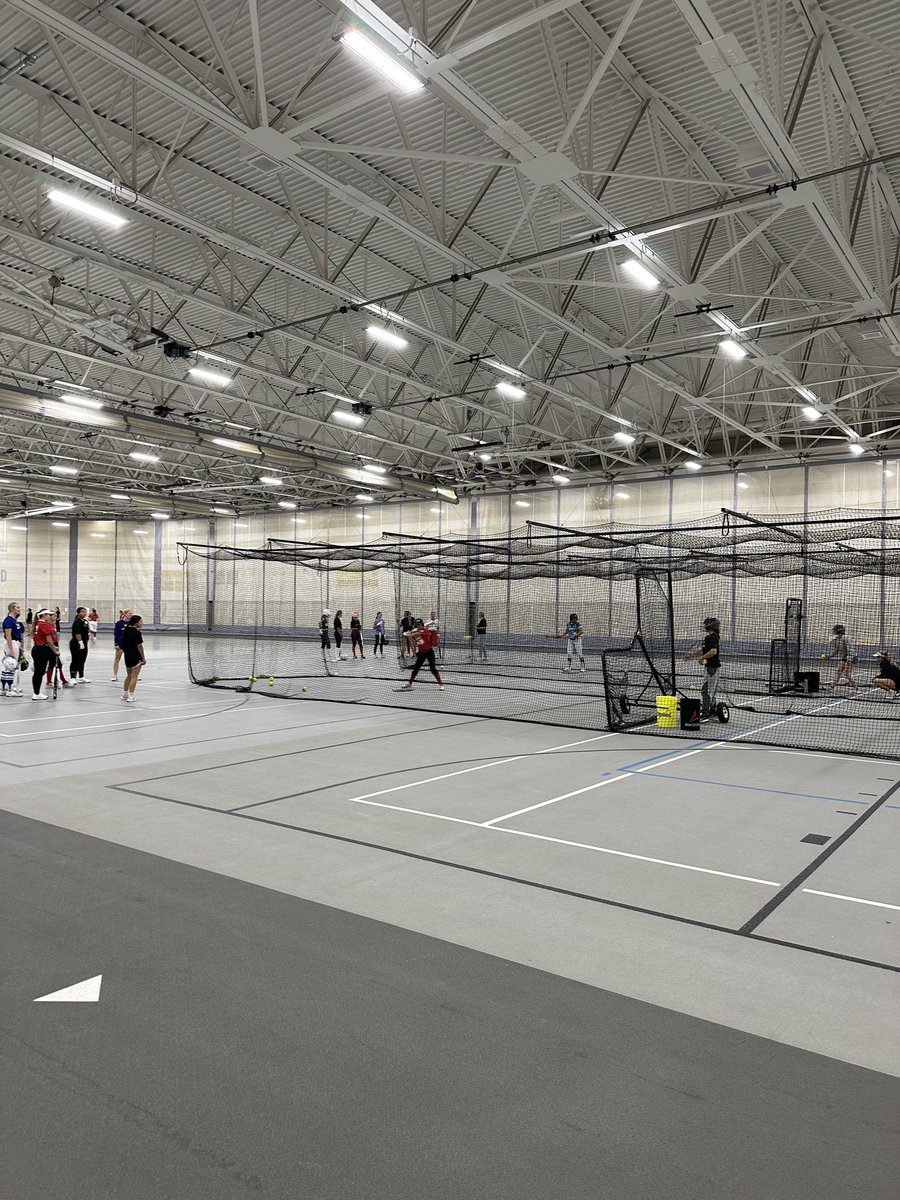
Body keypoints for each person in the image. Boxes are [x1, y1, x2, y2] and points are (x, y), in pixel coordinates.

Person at [684, 616, 722, 719]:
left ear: (711, 626)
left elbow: (713, 651)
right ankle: (712, 710)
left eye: (706, 624)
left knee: (706, 691)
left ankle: (705, 713)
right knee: (710, 690)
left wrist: (702, 657)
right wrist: (692, 654)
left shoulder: (713, 637)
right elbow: (704, 648)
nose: (704, 626)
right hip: (709, 667)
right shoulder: (709, 638)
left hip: (712, 668)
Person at [400, 619, 443, 690]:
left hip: (429, 652)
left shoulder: (424, 631)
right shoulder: (418, 631)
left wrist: (407, 634)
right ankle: (409, 683)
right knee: (416, 669)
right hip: (421, 653)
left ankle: (441, 684)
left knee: (433, 669)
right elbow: (415, 641)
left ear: (422, 624)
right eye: (417, 625)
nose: (418, 626)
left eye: (420, 624)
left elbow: (416, 634)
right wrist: (411, 635)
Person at [30, 608, 59, 700]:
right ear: (44, 615)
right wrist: (55, 651)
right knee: (39, 672)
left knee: (39, 672)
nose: (50, 617)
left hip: (37, 648)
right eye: (49, 615)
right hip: (42, 650)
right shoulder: (44, 625)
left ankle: (36, 692)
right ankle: (36, 693)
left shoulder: (38, 624)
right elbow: (49, 641)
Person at [823, 624, 858, 690]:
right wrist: (829, 656)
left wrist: (848, 660)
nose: (834, 632)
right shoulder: (838, 639)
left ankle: (857, 689)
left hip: (851, 658)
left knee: (847, 674)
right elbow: (836, 651)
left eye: (835, 630)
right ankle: (832, 687)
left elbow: (850, 650)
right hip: (845, 658)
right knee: (838, 671)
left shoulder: (846, 638)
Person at [121, 614, 145, 703]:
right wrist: (143, 658)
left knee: (129, 675)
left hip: (127, 656)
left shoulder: (125, 631)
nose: (142, 623)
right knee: (134, 676)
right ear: (136, 623)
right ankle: (131, 695)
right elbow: (139, 646)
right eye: (141, 621)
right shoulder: (136, 632)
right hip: (135, 656)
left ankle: (125, 694)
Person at [2, 602, 24, 696]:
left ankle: (4, 689)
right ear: (12, 608)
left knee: (8, 667)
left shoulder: (15, 621)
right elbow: (8, 635)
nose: (19, 609)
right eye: (17, 607)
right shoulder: (9, 620)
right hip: (12, 643)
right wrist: (11, 649)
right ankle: (10, 690)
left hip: (16, 643)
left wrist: (20, 646)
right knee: (11, 666)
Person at [70, 606, 91, 682]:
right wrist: (80, 642)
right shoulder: (77, 622)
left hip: (85, 643)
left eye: (85, 612)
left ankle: (81, 676)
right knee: (75, 660)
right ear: (78, 613)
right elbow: (77, 633)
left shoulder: (85, 621)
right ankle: (73, 677)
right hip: (76, 644)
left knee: (82, 660)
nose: (84, 613)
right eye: (82, 612)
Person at [111, 609, 130, 682]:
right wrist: (116, 644)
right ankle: (115, 675)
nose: (131, 615)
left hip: (129, 645)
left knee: (130, 660)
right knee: (117, 659)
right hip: (121, 644)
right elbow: (116, 634)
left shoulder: (132, 623)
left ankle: (132, 674)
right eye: (129, 613)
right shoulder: (119, 623)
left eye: (131, 614)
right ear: (125, 614)